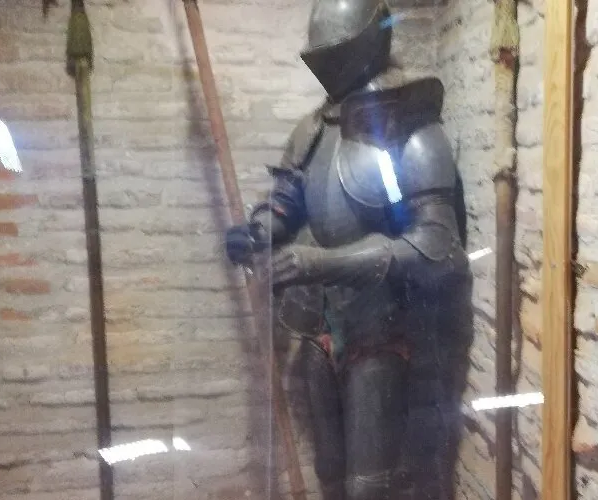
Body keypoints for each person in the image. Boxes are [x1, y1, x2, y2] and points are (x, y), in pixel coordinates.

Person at [224, 1, 472, 498]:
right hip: (315, 322)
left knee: (370, 485)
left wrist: (324, 261)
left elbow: (440, 246)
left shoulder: (411, 129)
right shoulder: (313, 129)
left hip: (382, 324)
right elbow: (286, 201)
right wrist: (258, 232)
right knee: (330, 471)